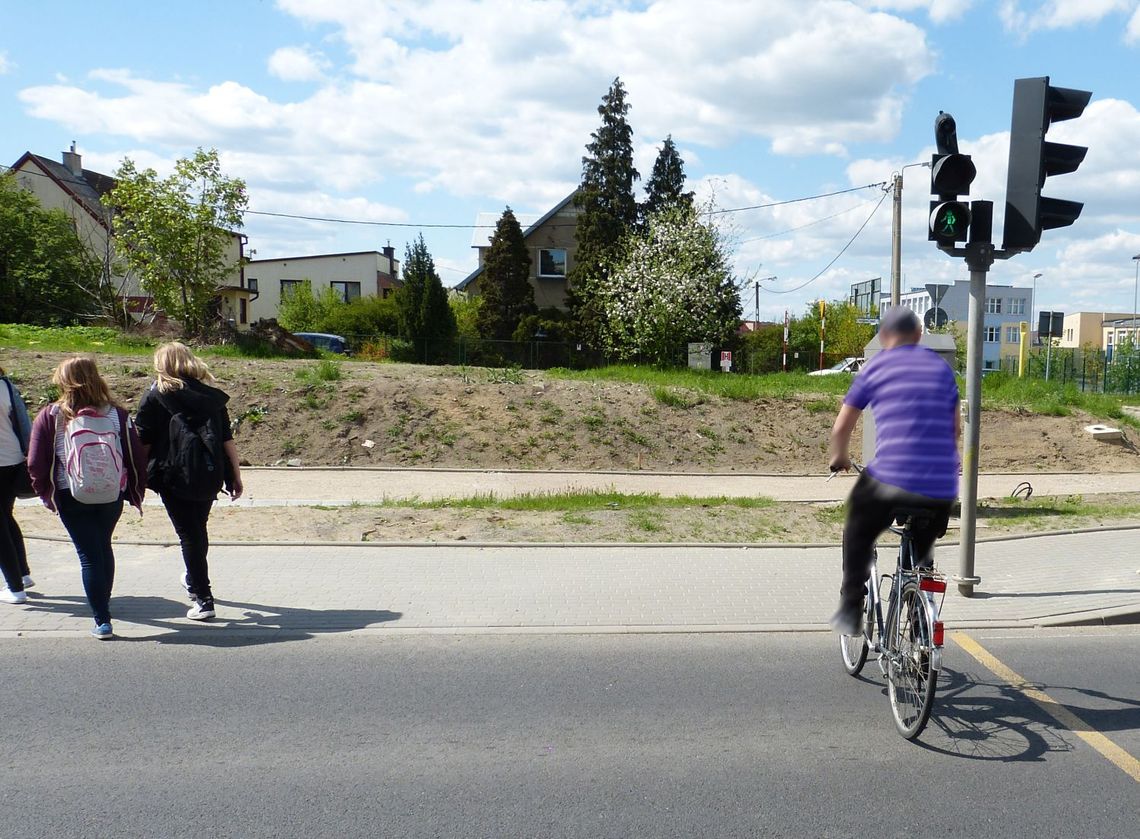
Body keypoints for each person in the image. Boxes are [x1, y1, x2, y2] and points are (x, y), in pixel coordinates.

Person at [827, 306, 961, 635]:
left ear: (886, 336)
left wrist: (839, 457)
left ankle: (851, 604)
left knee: (857, 521)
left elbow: (842, 426)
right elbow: (955, 428)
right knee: (922, 550)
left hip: (890, 477)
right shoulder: (942, 370)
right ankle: (921, 630)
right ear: (918, 336)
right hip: (940, 485)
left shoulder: (875, 367)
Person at [27, 357, 146, 638]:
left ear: (64, 380)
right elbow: (137, 456)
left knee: (89, 556)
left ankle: (102, 620)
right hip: (110, 492)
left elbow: (34, 461)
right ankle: (103, 605)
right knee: (103, 547)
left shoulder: (51, 415)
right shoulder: (117, 414)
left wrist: (44, 491)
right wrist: (134, 490)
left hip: (70, 493)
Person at [134, 342, 243, 621]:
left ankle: (203, 599)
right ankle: (193, 579)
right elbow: (226, 439)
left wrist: (137, 476)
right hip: (209, 473)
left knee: (189, 535)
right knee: (197, 530)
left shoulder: (154, 396)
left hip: (172, 475)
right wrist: (235, 475)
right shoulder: (211, 397)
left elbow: (143, 443)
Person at [0, 366, 34, 604]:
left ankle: (15, 588)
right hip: (13, 459)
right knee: (6, 517)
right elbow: (23, 422)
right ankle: (23, 574)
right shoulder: (6, 386)